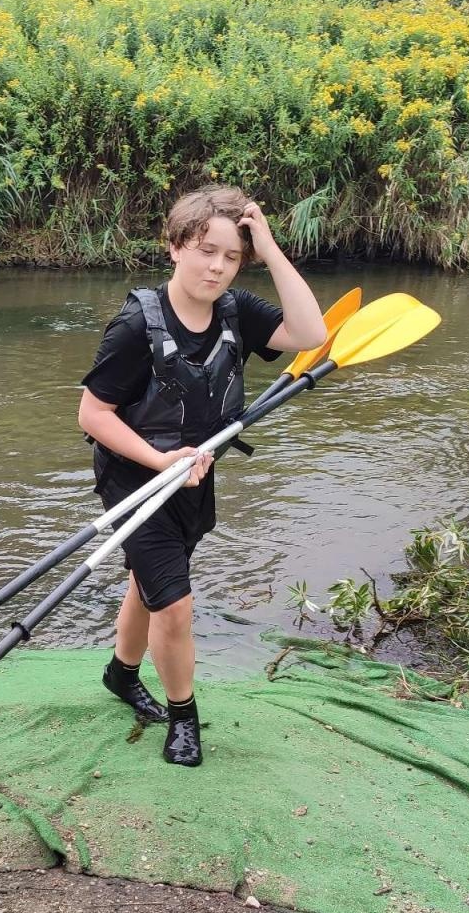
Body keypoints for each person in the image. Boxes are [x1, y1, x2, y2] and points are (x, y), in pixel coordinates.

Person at [77, 186, 326, 767]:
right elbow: (93, 414)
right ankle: (185, 716)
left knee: (151, 582)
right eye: (205, 250)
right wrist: (162, 461)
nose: (217, 266)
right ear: (174, 248)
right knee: (175, 606)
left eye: (232, 256)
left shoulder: (238, 312)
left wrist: (266, 244)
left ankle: (121, 671)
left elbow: (312, 335)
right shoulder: (136, 325)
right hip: (136, 480)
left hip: (195, 474)